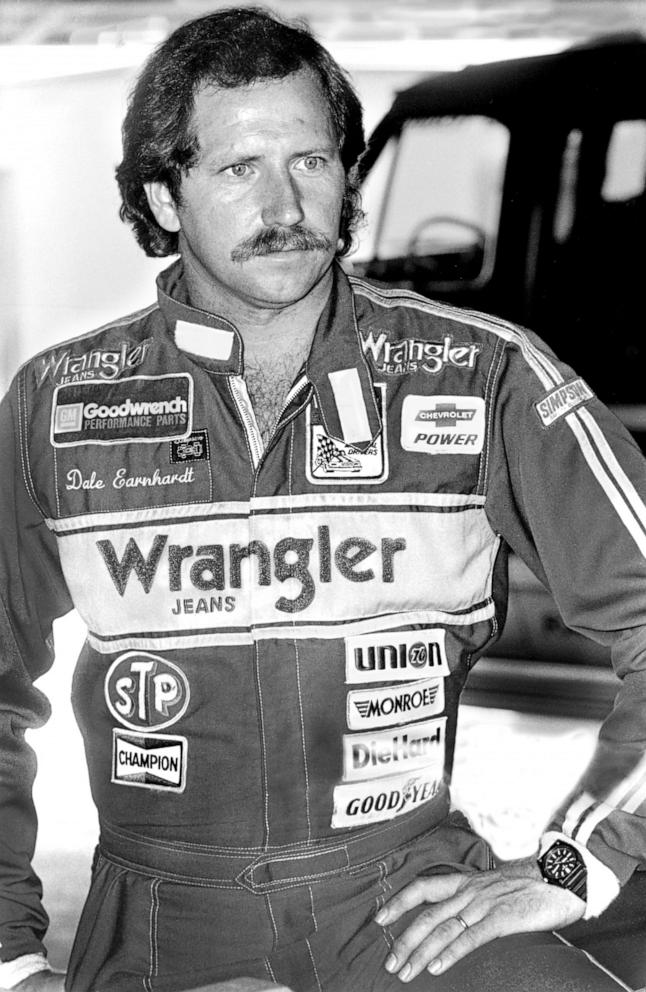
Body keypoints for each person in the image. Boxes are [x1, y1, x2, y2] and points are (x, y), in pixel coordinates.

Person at [0, 7, 645, 992]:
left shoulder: (479, 376)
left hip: (405, 899)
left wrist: (575, 861)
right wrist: (8, 955)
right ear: (163, 199)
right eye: (236, 167)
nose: (285, 200)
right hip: (163, 922)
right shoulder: (59, 402)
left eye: (312, 160)